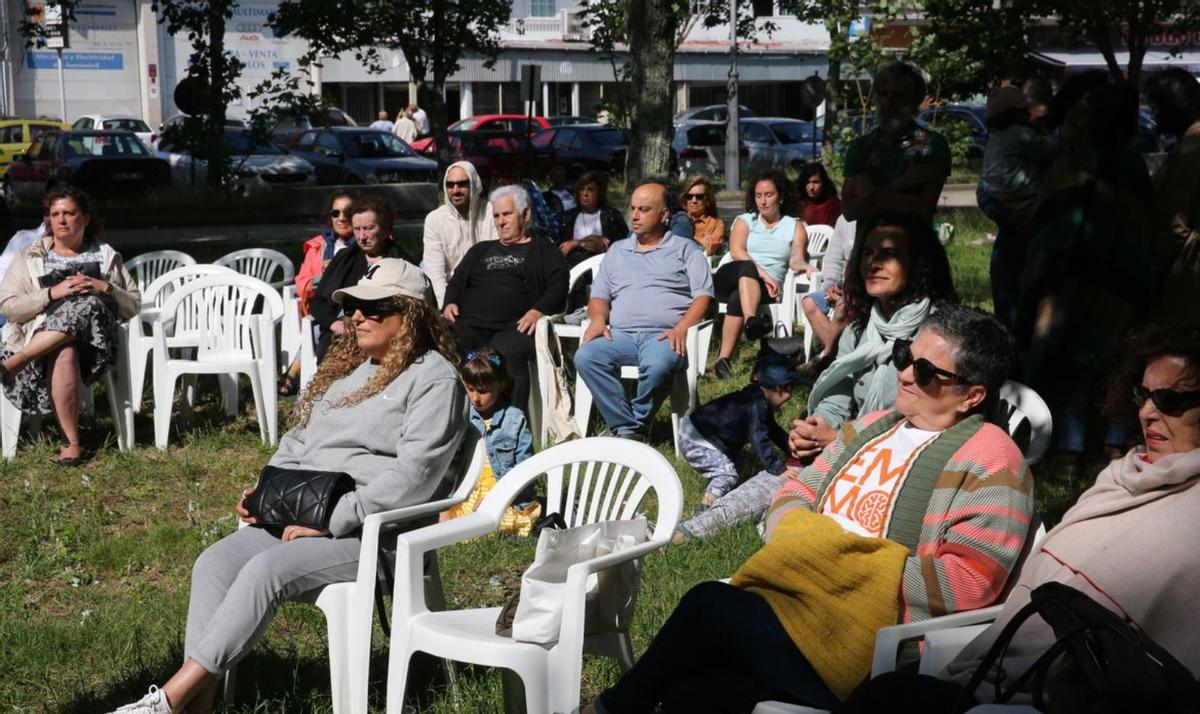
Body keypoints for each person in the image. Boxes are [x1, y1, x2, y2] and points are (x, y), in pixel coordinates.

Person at [591, 305, 1034, 714]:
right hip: (794, 607)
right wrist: (809, 544)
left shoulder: (992, 460)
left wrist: (830, 557)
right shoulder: (871, 426)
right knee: (692, 695)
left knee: (709, 607)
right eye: (903, 355)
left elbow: (971, 582)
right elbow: (793, 491)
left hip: (871, 643)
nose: (904, 374)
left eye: (924, 370)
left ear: (972, 395)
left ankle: (608, 709)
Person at [109, 259, 471, 714]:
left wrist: (332, 521)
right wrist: (267, 495)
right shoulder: (351, 371)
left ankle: (169, 701)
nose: (356, 316)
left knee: (267, 570)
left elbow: (414, 477)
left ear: (411, 313)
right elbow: (297, 443)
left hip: (377, 534)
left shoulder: (433, 378)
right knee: (213, 563)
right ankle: (198, 708)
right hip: (304, 516)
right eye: (354, 307)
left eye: (373, 307)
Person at [841, 322, 1200, 710]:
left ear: (972, 395)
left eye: (1171, 400)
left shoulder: (991, 457)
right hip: (990, 671)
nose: (1147, 412)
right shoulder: (1119, 479)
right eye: (1142, 395)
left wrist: (842, 564)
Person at [1017, 74, 1153, 471]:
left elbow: (1052, 232)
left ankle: (1070, 450)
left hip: (1070, 283)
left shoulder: (1077, 163)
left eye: (1085, 116)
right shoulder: (1134, 165)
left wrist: (1037, 285)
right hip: (1122, 282)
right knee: (1110, 361)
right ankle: (1107, 444)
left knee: (1070, 365)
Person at [790, 213, 956, 463]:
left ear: (918, 263)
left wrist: (839, 439)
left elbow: (930, 423)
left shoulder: (939, 334)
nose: (874, 263)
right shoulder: (858, 330)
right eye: (867, 253)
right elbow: (839, 394)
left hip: (909, 462)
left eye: (889, 254)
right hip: (850, 450)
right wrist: (816, 427)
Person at [0, 187, 140, 465]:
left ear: (85, 218)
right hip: (43, 341)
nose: (62, 220)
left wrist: (104, 287)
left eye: (69, 213)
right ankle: (71, 443)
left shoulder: (106, 254)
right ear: (48, 220)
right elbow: (8, 307)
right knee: (65, 352)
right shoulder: (30, 255)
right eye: (55, 214)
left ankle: (17, 361)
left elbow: (133, 304)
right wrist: (53, 293)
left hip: (97, 344)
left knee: (88, 302)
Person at [573, 183, 713, 441]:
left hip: (664, 335)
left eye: (644, 210)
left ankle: (632, 424)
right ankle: (629, 429)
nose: (635, 216)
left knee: (658, 365)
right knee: (586, 357)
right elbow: (599, 297)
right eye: (633, 208)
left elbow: (703, 296)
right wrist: (597, 319)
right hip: (620, 335)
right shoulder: (617, 250)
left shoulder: (685, 249)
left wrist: (681, 328)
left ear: (664, 215)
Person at [443, 185, 568, 410]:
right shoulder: (481, 250)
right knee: (442, 341)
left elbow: (559, 286)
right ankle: (452, 415)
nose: (500, 221)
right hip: (470, 324)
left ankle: (511, 423)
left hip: (515, 327)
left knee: (506, 353)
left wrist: (538, 310)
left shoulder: (543, 249)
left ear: (526, 215)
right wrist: (450, 302)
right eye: (496, 216)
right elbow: (456, 282)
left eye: (507, 214)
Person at [673, 350, 802, 542]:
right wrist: (778, 469)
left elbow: (771, 428)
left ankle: (717, 496)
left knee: (737, 463)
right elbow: (759, 439)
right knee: (727, 473)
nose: (789, 398)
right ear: (780, 389)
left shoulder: (756, 398)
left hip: (696, 432)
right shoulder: (754, 407)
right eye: (789, 391)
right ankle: (704, 506)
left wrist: (788, 447)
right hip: (697, 441)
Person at [711, 171, 816, 380]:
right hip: (730, 277)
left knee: (737, 299)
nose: (763, 200)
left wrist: (806, 266)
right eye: (758, 195)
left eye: (768, 194)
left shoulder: (794, 226)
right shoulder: (745, 220)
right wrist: (766, 276)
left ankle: (723, 361)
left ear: (781, 196)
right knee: (746, 266)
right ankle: (751, 321)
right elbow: (737, 252)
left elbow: (796, 258)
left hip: (763, 290)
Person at [977, 85, 1055, 328]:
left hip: (996, 198)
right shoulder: (1020, 135)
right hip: (1020, 198)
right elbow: (1053, 150)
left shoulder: (998, 135)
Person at [841, 61, 951, 232]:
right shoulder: (861, 147)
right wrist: (900, 185)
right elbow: (850, 211)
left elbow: (923, 208)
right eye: (883, 94)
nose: (889, 101)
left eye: (898, 95)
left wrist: (870, 193)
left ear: (914, 100)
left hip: (914, 249)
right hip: (869, 251)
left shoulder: (931, 145)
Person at [441, 348, 540, 534]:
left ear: (501, 385)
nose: (475, 398)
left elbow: (524, 468)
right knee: (450, 524)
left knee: (496, 522)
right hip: (470, 489)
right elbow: (450, 465)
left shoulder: (515, 419)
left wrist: (497, 497)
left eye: (483, 391)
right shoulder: (462, 416)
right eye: (470, 389)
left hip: (505, 490)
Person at [308, 195, 419, 362]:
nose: (362, 236)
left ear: (386, 229)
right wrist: (335, 324)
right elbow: (317, 302)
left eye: (368, 228)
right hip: (339, 335)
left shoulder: (402, 265)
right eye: (357, 229)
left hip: (383, 338)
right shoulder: (344, 259)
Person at [280, 191, 358, 394]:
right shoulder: (318, 246)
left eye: (347, 212)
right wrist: (323, 277)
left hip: (350, 307)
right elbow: (301, 282)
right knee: (320, 319)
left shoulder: (365, 243)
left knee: (322, 323)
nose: (341, 218)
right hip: (319, 305)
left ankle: (294, 371)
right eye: (336, 213)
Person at [1147, 67, 1200, 323]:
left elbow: (1174, 227)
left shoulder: (1193, 151)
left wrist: (1152, 276)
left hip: (1186, 289)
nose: (1153, 116)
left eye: (1157, 107)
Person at [422, 160, 497, 307]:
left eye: (462, 184)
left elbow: (497, 263)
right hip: (449, 291)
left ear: (474, 184)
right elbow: (436, 273)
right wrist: (446, 306)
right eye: (450, 185)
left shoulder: (492, 212)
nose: (455, 190)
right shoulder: (435, 219)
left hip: (488, 289)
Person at [797, 215, 857, 376]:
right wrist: (830, 285)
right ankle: (838, 357)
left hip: (862, 289)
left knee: (842, 307)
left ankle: (826, 354)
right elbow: (833, 259)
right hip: (841, 287)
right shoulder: (844, 221)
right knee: (810, 302)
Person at [556, 171, 628, 267]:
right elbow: (562, 247)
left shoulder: (611, 216)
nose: (585, 194)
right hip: (575, 268)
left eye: (590, 190)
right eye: (582, 189)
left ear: (599, 193)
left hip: (606, 266)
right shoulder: (568, 217)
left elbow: (623, 245)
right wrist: (586, 241)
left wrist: (578, 243)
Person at [680, 175, 725, 256]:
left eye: (699, 197)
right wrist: (701, 240)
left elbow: (709, 248)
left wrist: (686, 237)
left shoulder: (716, 224)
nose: (694, 201)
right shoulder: (677, 220)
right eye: (689, 196)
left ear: (707, 199)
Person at [796, 162, 842, 227]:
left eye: (815, 182)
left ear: (824, 183)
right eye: (807, 182)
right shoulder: (800, 204)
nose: (811, 187)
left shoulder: (834, 205)